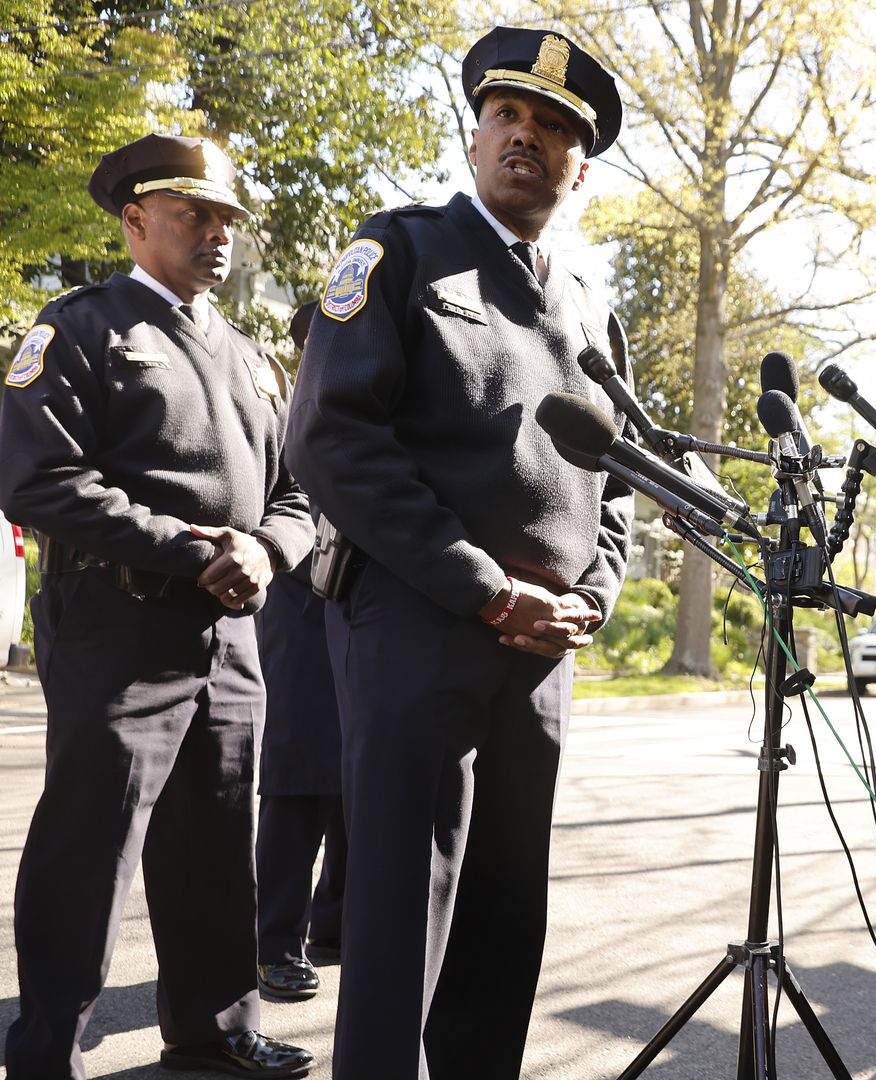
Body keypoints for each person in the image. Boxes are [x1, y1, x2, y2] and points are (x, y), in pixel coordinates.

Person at [285, 25, 632, 1078]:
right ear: (477, 135)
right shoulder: (398, 252)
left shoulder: (588, 306)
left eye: (555, 127)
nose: (526, 135)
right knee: (399, 914)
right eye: (508, 115)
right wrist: (483, 589)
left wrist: (597, 598)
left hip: (541, 650)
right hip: (419, 624)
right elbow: (334, 438)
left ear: (582, 165)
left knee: (502, 912)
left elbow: (622, 482)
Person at [0, 135, 315, 1078]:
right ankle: (47, 1049)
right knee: (89, 847)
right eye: (194, 215)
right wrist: (193, 551)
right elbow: (40, 481)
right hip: (116, 624)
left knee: (216, 839)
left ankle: (214, 1032)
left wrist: (264, 548)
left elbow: (306, 492)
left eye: (226, 219)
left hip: (230, 632)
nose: (217, 235)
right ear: (135, 222)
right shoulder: (81, 330)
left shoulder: (256, 360)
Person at [254, 301, 345, 1004]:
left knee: (356, 778)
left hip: (365, 614)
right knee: (299, 777)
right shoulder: (285, 411)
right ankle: (274, 943)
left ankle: (334, 926)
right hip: (298, 608)